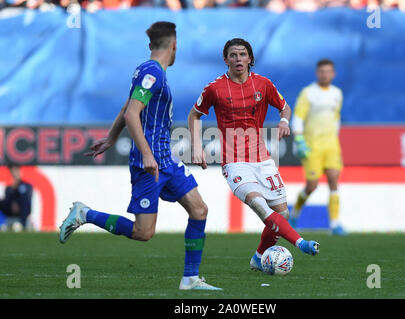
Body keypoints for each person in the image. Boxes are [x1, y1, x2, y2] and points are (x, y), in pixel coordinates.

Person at [59, 21, 222, 291]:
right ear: (174, 45)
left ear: (151, 45)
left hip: (166, 159)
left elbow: (127, 106)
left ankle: (190, 279)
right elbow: (132, 113)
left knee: (199, 209)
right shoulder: (152, 73)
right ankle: (84, 214)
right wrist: (146, 153)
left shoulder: (151, 71)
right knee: (143, 232)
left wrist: (111, 137)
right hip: (150, 163)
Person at [187, 38, 320, 273]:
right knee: (261, 207)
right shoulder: (215, 88)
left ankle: (258, 258)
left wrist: (284, 121)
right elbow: (194, 115)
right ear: (226, 59)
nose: (238, 59)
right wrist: (196, 148)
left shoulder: (263, 84)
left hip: (263, 159)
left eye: (242, 54)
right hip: (235, 162)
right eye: (233, 55)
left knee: (282, 213)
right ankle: (301, 243)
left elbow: (284, 106)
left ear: (250, 58)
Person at [291, 59, 347, 236]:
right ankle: (294, 214)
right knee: (312, 185)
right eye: (322, 71)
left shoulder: (337, 93)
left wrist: (335, 139)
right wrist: (299, 140)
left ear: (333, 74)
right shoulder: (308, 93)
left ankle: (335, 224)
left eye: (328, 71)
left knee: (333, 181)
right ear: (317, 73)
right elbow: (298, 117)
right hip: (311, 145)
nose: (325, 74)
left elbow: (336, 118)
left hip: (331, 145)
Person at [0, 164, 33, 231]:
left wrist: (17, 203)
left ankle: (23, 225)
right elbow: (7, 200)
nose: (14, 173)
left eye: (15, 171)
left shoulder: (26, 185)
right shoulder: (9, 188)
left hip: (22, 211)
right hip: (10, 210)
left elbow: (27, 197)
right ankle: (1, 224)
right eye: (12, 171)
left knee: (24, 200)